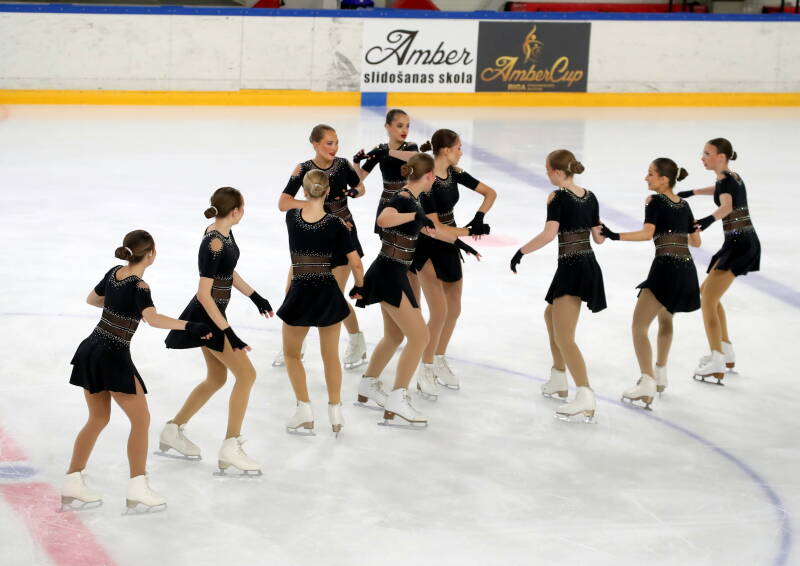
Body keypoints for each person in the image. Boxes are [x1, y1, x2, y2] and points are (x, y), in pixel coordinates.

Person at [63, 230, 211, 512]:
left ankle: (72, 480)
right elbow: (152, 320)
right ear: (151, 253)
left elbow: (92, 300)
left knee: (97, 418)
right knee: (141, 421)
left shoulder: (115, 272)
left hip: (92, 348)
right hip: (113, 354)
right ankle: (137, 488)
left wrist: (118, 309)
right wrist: (191, 326)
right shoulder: (140, 286)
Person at [162, 187, 273, 476]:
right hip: (208, 317)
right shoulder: (212, 242)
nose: (244, 211)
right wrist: (230, 333)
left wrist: (255, 296)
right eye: (243, 207)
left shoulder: (224, 231)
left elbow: (228, 271)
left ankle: (172, 430)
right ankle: (230, 446)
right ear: (235, 210)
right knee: (247, 375)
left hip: (215, 314)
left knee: (216, 378)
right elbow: (204, 294)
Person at [355, 153, 462, 427]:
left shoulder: (415, 201)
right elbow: (383, 219)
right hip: (389, 272)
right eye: (432, 179)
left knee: (394, 336)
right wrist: (415, 215)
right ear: (427, 177)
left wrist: (469, 235)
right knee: (420, 337)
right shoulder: (403, 198)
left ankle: (368, 384)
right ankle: (397, 398)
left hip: (394, 271)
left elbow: (434, 231)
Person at [510, 149, 605, 422]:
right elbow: (599, 238)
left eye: (547, 169)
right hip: (584, 263)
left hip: (573, 267)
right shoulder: (590, 196)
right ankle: (558, 378)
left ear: (558, 172)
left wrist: (522, 251)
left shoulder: (557, 196)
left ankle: (585, 395)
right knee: (550, 315)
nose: (546, 174)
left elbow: (550, 234)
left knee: (565, 337)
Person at [600, 158, 701, 408]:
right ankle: (661, 374)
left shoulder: (655, 201)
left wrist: (614, 235)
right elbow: (696, 242)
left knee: (639, 327)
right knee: (666, 319)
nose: (646, 178)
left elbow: (647, 234)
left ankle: (647, 383)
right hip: (687, 269)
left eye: (651, 174)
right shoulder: (685, 204)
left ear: (664, 179)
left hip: (666, 268)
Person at [278, 170, 365, 436]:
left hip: (301, 290)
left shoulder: (292, 217)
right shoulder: (337, 223)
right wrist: (360, 286)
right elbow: (356, 262)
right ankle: (335, 410)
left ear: (304, 192)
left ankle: (304, 409)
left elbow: (288, 203)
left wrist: (295, 180)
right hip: (327, 291)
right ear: (328, 191)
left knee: (292, 354)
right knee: (330, 357)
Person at [277, 124, 368, 370]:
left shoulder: (343, 165)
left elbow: (361, 187)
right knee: (292, 290)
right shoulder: (303, 169)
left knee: (335, 296)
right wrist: (312, 204)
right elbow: (283, 202)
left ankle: (357, 340)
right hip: (310, 235)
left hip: (341, 233)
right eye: (329, 143)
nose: (334, 148)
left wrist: (355, 191)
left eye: (336, 142)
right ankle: (296, 342)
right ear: (315, 144)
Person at [412, 129, 495, 398]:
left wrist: (479, 216)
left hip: (449, 241)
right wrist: (470, 233)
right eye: (458, 147)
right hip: (428, 244)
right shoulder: (429, 179)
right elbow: (434, 226)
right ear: (445, 150)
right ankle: (424, 367)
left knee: (454, 308)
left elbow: (490, 193)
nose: (461, 150)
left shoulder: (455, 173)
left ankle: (438, 356)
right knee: (439, 311)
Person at [679, 138, 761, 384]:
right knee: (708, 293)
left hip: (740, 244)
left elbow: (726, 206)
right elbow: (720, 191)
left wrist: (706, 220)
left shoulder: (726, 180)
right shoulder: (731, 177)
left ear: (721, 157)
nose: (702, 157)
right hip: (739, 241)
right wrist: (691, 192)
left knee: (708, 299)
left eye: (707, 153)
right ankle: (725, 350)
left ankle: (717, 359)